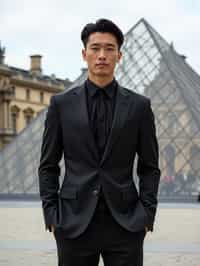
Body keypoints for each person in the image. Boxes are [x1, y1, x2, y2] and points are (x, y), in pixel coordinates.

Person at [38, 18, 160, 266]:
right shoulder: (60, 104)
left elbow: (150, 166)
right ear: (84, 54)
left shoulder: (139, 106)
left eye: (109, 48)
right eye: (95, 48)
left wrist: (146, 215)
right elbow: (48, 164)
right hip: (73, 223)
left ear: (119, 55)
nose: (102, 55)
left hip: (126, 223)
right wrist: (51, 214)